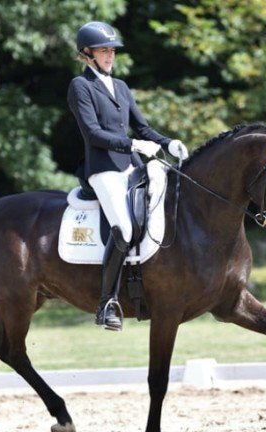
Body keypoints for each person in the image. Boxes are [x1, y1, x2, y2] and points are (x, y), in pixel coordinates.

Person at [67, 21, 189, 332]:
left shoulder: (120, 86)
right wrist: (134, 144)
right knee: (122, 228)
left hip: (131, 165)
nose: (110, 56)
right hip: (103, 169)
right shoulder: (80, 87)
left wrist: (167, 142)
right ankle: (107, 301)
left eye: (112, 51)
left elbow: (142, 127)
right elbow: (93, 134)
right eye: (103, 50)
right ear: (87, 53)